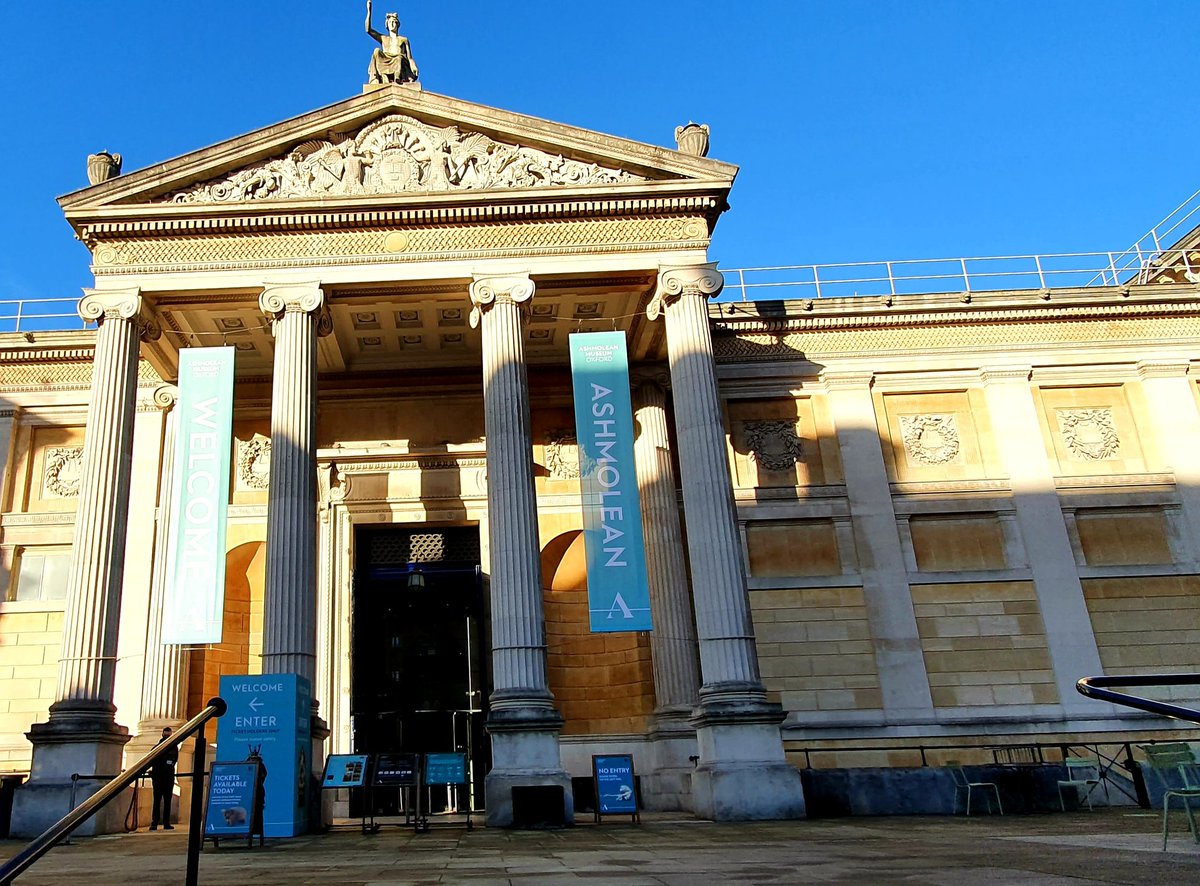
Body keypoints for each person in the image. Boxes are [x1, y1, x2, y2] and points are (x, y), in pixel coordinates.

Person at [365, 0, 419, 84]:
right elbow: (368, 30)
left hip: (399, 60)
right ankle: (383, 75)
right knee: (376, 51)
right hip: (386, 58)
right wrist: (369, 11)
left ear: (397, 25)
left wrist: (414, 66)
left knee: (399, 58)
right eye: (390, 22)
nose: (392, 24)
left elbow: (409, 57)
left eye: (394, 22)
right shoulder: (383, 38)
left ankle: (397, 76)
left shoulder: (403, 39)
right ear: (387, 25)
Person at [149, 726, 178, 831]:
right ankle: (164, 822)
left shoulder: (158, 747)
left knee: (159, 800)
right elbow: (173, 761)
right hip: (165, 776)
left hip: (160, 776)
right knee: (164, 800)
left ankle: (156, 822)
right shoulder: (172, 747)